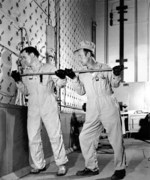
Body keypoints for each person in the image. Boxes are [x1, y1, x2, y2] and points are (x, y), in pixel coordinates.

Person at [65, 41, 126, 180]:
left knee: (115, 138)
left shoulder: (104, 68)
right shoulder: (82, 72)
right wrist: (73, 78)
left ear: (89, 53)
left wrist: (116, 74)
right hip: (92, 105)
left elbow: (115, 84)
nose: (79, 59)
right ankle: (92, 167)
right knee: (85, 137)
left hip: (108, 104)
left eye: (81, 55)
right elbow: (81, 91)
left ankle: (120, 169)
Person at [11, 46, 68, 176]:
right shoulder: (26, 72)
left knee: (55, 135)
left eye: (24, 57)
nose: (22, 60)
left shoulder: (49, 68)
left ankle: (61, 164)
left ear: (33, 55)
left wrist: (62, 77)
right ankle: (38, 164)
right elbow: (25, 91)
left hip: (48, 103)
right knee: (33, 137)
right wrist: (18, 81)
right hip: (33, 105)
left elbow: (60, 84)